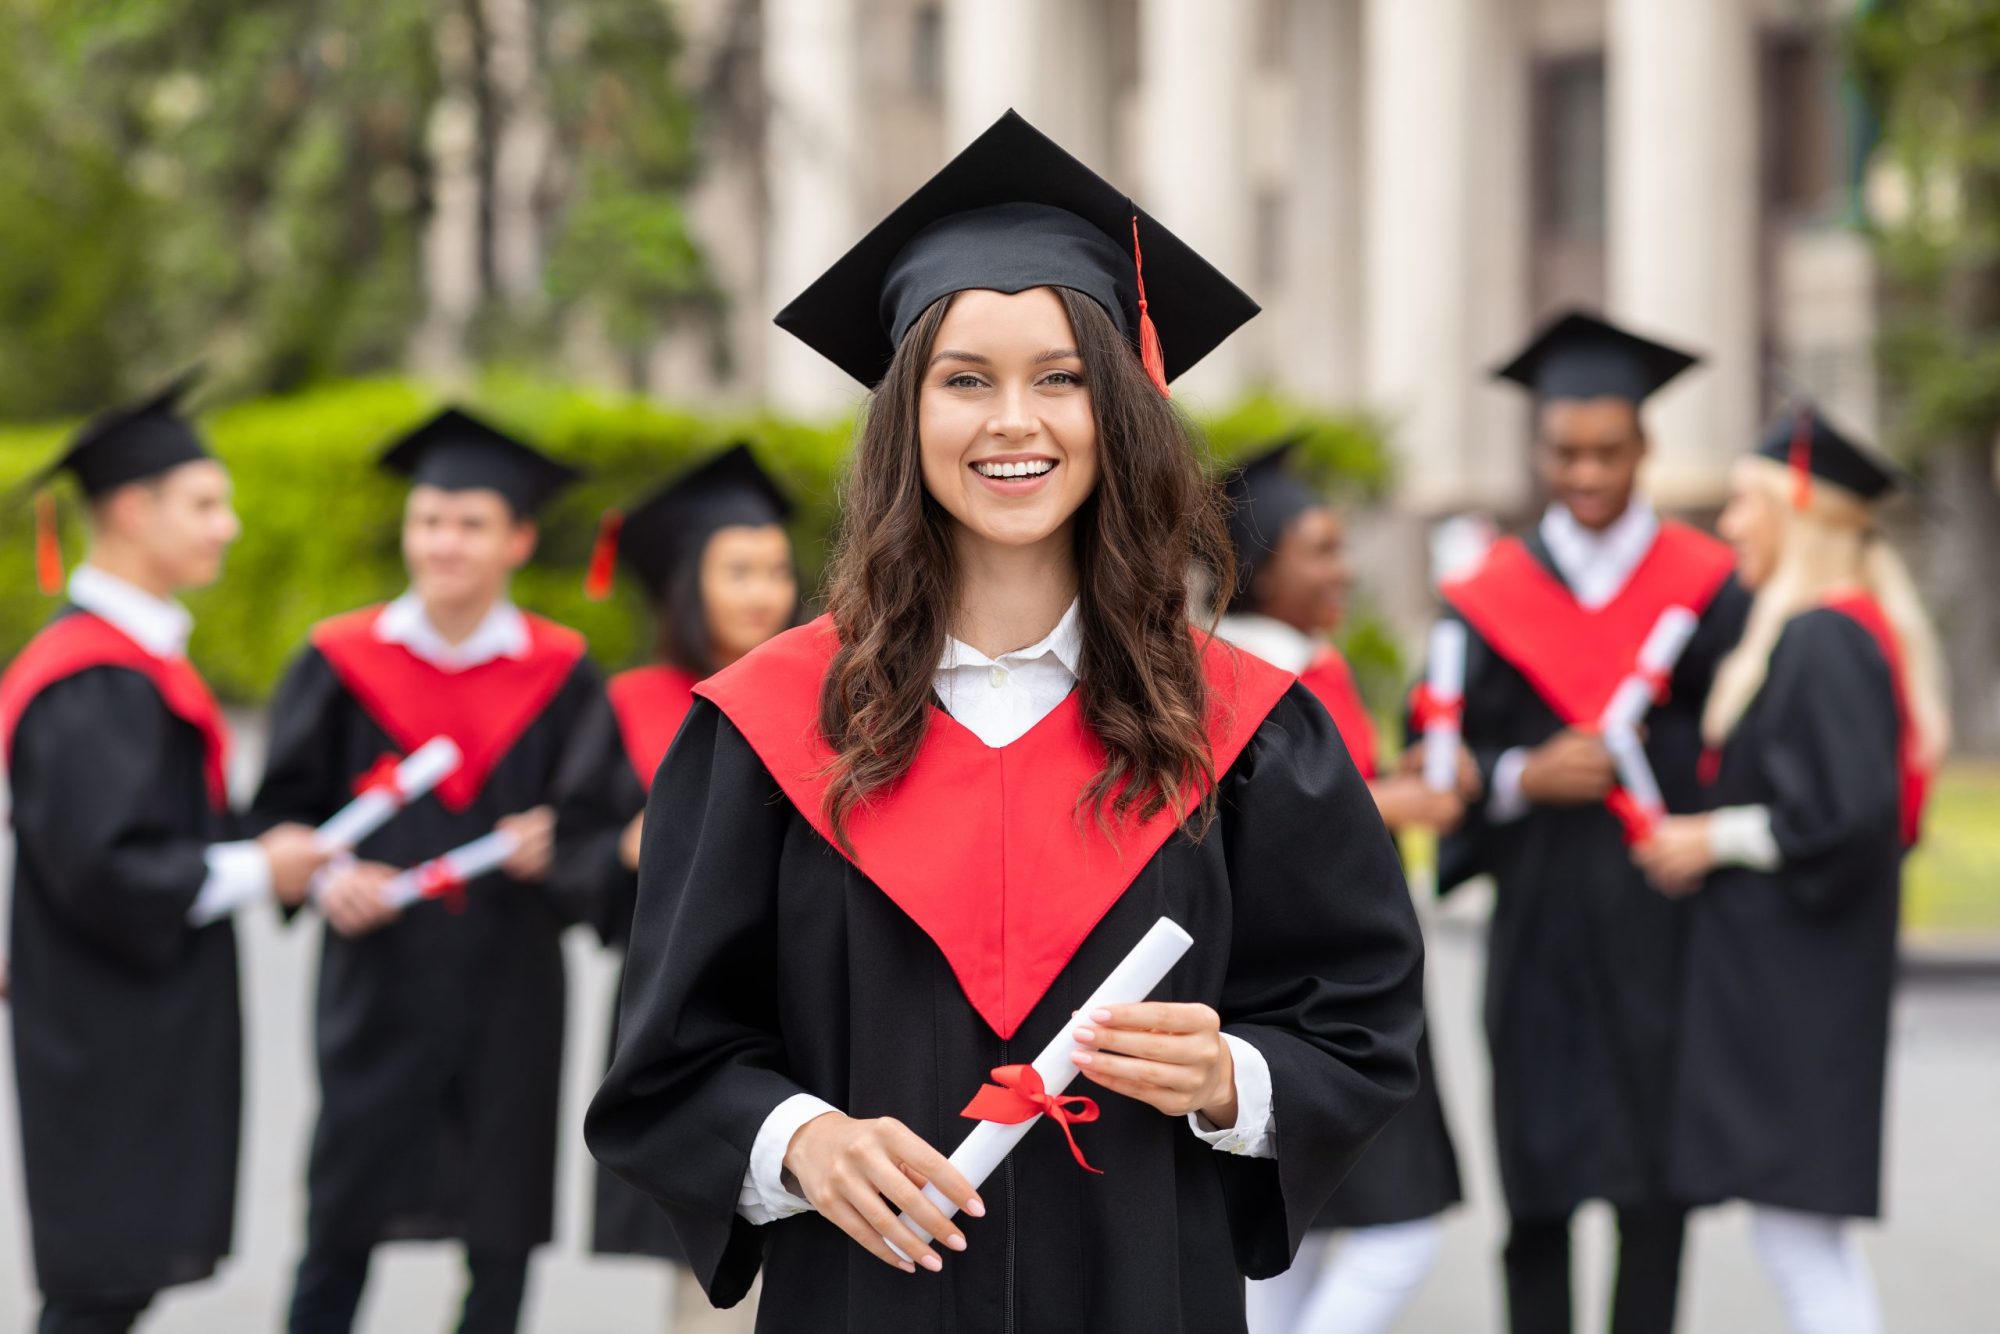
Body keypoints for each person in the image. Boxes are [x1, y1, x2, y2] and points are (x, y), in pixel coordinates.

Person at [583, 110, 1426, 1333]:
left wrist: (1228, 1075)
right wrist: (800, 1138)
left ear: (1116, 411)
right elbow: (669, 1061)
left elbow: (1356, 1026)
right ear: (905, 415)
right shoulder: (766, 728)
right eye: (964, 379)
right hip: (862, 1295)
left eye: (1061, 378)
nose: (1012, 422)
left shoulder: (1241, 730)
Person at [251, 406, 603, 1334]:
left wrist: (555, 845)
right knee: (342, 1211)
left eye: (470, 523)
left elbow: (602, 825)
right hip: (377, 979)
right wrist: (328, 880)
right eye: (429, 521)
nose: (444, 543)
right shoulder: (338, 661)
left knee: (501, 1222)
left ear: (518, 539)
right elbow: (277, 813)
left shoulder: (563, 672)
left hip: (510, 980)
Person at [1437, 310, 1752, 1334]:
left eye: (1605, 452)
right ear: (1537, 450)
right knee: (1534, 1195)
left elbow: (1740, 747)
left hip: (1661, 934)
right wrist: (1524, 773)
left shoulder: (1707, 590)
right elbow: (1441, 761)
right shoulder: (1486, 598)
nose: (1584, 472)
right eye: (1563, 452)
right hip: (1537, 936)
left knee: (1651, 1196)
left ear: (1643, 448)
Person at [1, 378, 327, 1333]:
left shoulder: (131, 659)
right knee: (99, 1285)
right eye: (205, 504)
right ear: (134, 511)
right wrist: (252, 871)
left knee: (116, 1281)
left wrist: (259, 849)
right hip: (103, 1027)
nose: (227, 527)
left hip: (133, 1017)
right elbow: (104, 867)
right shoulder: (90, 678)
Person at [1634, 408, 1946, 1334]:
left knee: (1803, 1247)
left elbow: (1850, 819)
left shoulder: (1823, 639)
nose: (1726, 527)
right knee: (1800, 1241)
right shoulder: (1842, 628)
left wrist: (1712, 839)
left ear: (1793, 510)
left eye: (1741, 504)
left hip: (1798, 993)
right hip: (1802, 985)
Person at [1218, 441, 1466, 1334]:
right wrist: (1397, 798)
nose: (1344, 569)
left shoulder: (1299, 664)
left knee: (1296, 1239)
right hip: (1313, 996)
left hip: (1334, 980)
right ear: (1257, 568)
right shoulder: (1249, 682)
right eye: (1319, 549)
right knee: (1388, 1235)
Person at [552, 443, 799, 1327]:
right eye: (738, 571)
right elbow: (570, 852)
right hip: (693, 1000)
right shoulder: (631, 704)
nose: (765, 592)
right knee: (715, 1265)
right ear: (689, 586)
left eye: (775, 569)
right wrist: (628, 847)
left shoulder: (832, 691)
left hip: (812, 991)